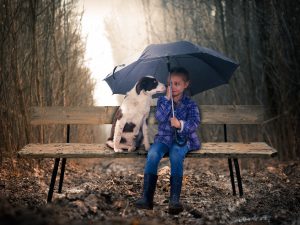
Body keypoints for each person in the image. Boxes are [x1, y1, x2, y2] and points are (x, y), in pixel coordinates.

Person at [135, 67, 201, 214]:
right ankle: (147, 198)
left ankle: (174, 200)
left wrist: (180, 125)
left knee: (176, 154)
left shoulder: (191, 104)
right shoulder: (162, 101)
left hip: (183, 140)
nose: (173, 87)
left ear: (186, 84)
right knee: (152, 154)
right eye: (170, 84)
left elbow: (195, 123)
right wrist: (166, 99)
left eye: (177, 84)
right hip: (164, 139)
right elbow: (159, 117)